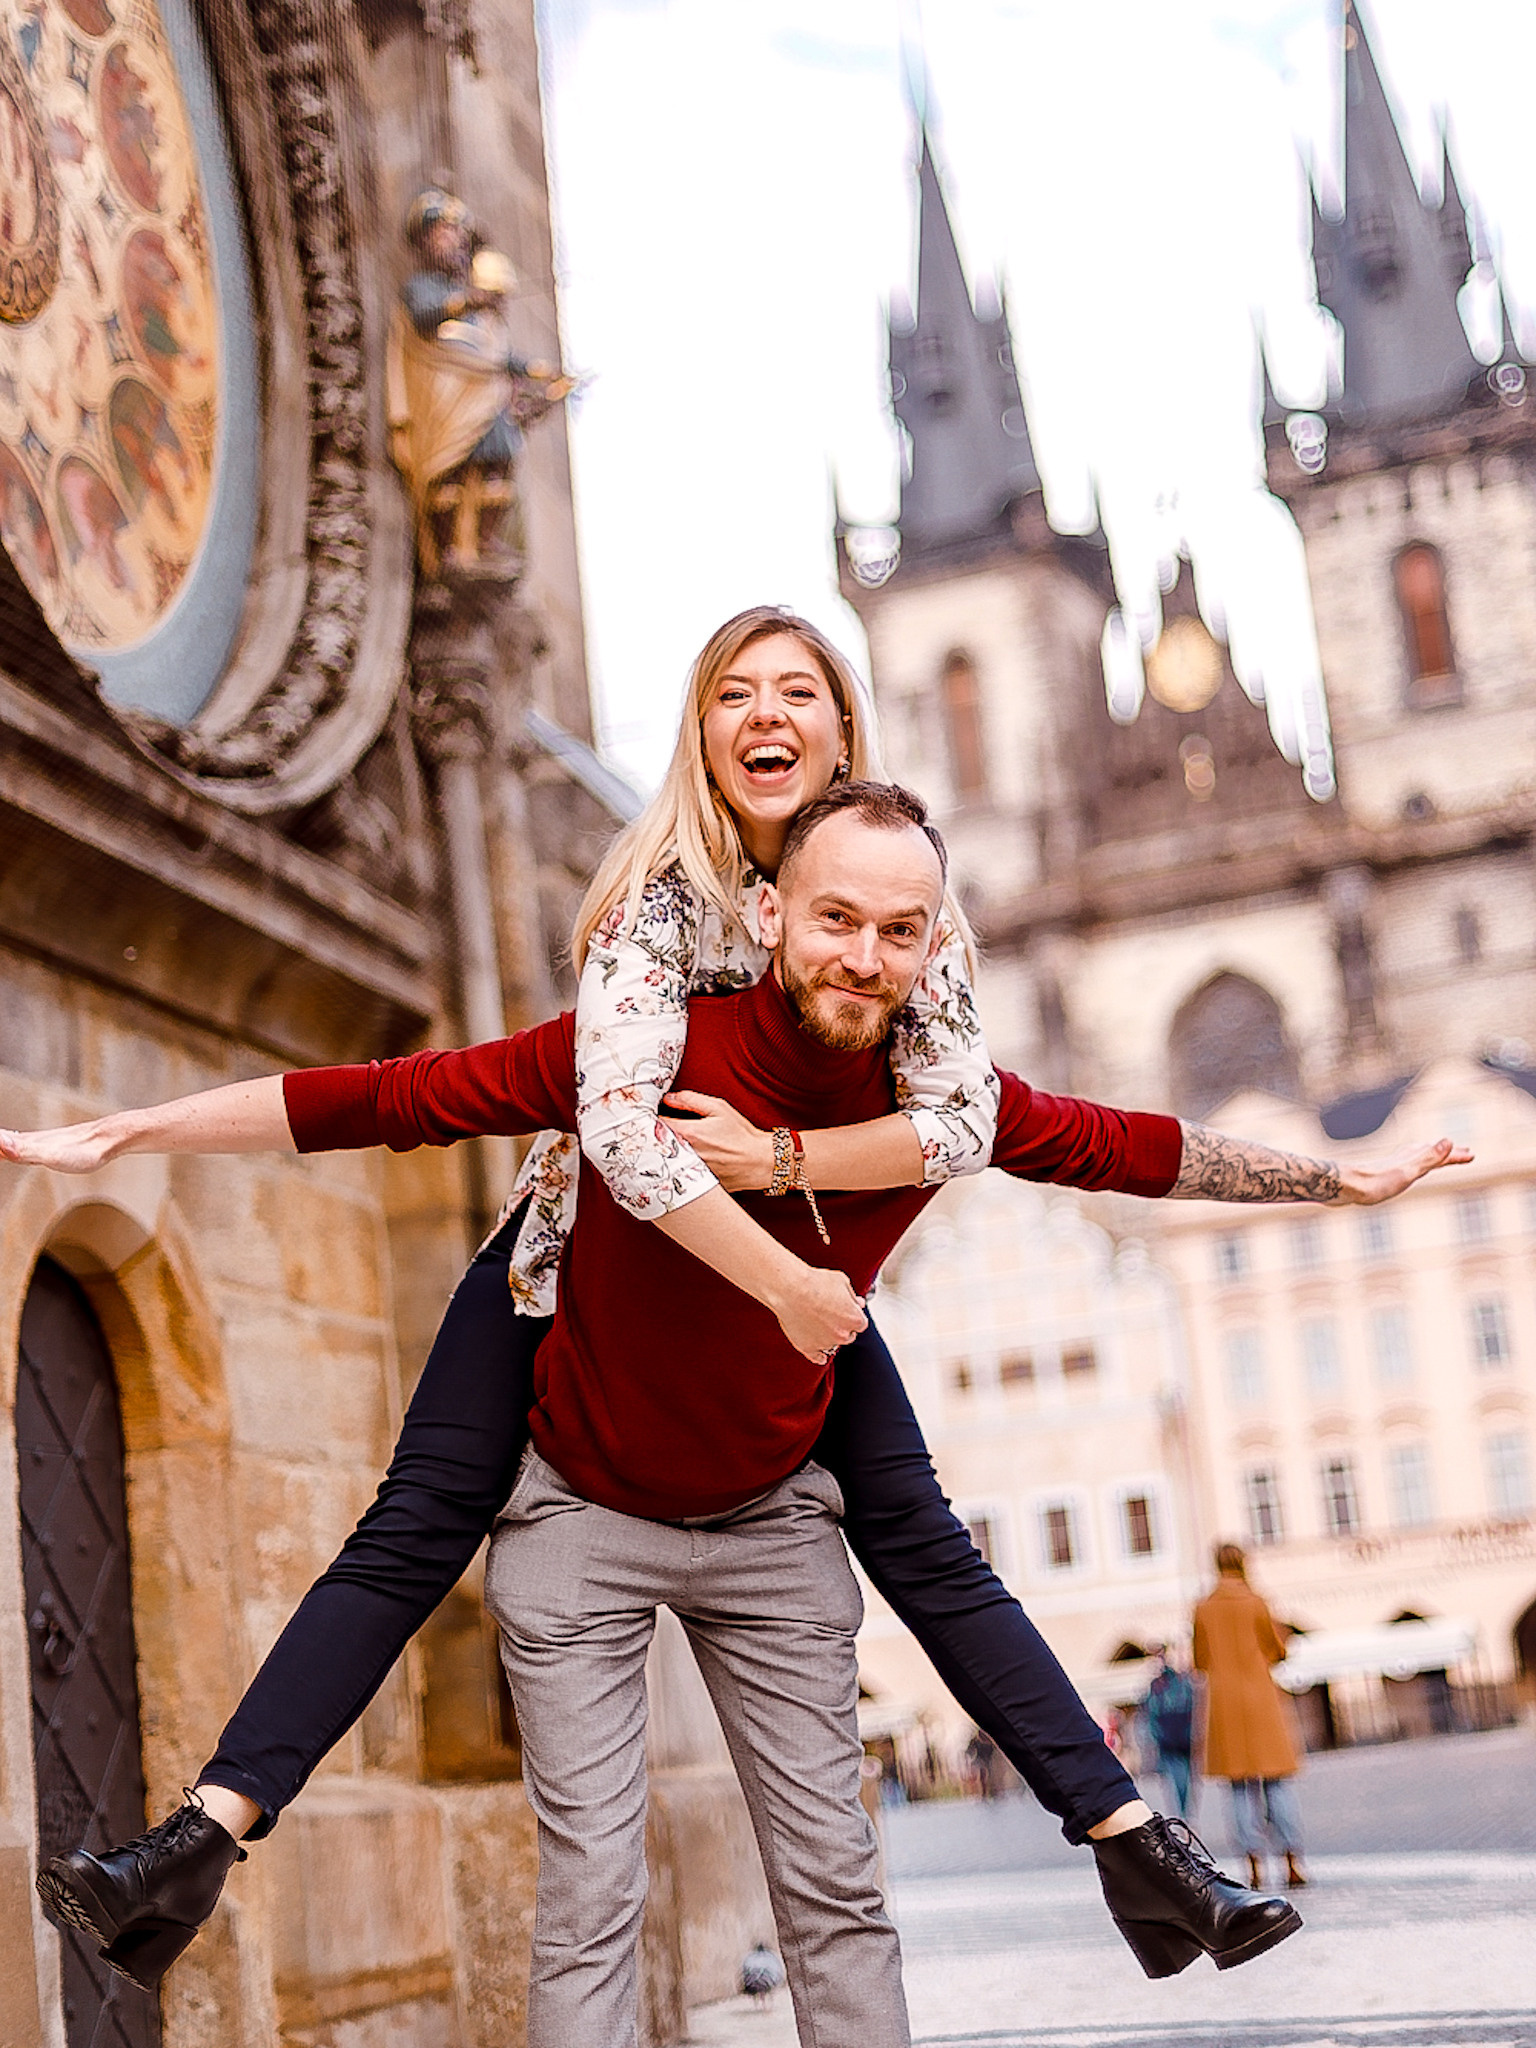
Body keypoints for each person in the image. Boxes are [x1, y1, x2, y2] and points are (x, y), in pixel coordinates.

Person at [6, 612, 1464, 1988]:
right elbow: (502, 1114)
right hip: (573, 1269)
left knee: (929, 1547)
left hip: (800, 1295)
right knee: (411, 1525)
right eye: (733, 695)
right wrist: (130, 1130)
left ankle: (1138, 1848)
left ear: (844, 735)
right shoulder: (654, 912)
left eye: (798, 694)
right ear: (708, 743)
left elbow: (995, 1126)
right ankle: (197, 1843)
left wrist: (1334, 1183)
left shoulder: (908, 910)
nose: (766, 717)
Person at [1193, 1544, 1307, 1891]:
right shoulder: (1256, 1601)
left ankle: (1252, 1863)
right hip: (1260, 1700)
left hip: (1225, 1705)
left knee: (1239, 1786)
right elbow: (1277, 1649)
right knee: (1276, 1782)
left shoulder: (1203, 1607)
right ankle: (1291, 1860)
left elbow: (1200, 1659)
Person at [1143, 1645, 1197, 1820]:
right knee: (1178, 1780)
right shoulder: (1157, 1687)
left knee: (1184, 1781)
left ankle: (1184, 1813)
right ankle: (1183, 1814)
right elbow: (1151, 1715)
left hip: (1182, 1738)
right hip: (1169, 1741)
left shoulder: (1180, 1683)